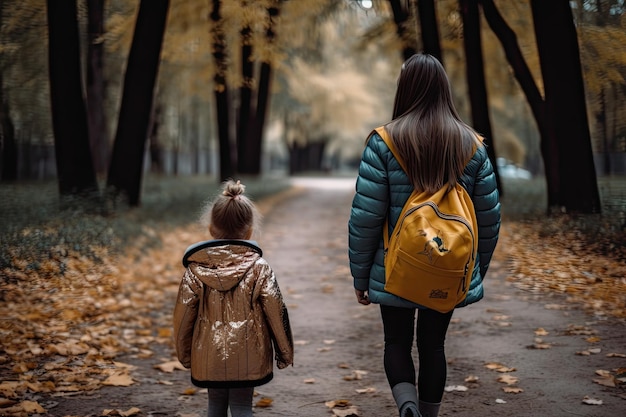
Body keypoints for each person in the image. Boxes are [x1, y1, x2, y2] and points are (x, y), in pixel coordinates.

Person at [348, 53, 501, 417]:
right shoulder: (473, 146)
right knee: (433, 346)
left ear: (405, 89)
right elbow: (488, 219)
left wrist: (360, 276)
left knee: (396, 341)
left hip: (395, 266)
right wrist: (475, 271)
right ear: (443, 90)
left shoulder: (383, 143)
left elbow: (365, 218)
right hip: (448, 269)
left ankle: (407, 408)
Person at [173, 179, 294, 417]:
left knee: (214, 407)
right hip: (249, 354)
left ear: (210, 228)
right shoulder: (260, 268)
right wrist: (284, 351)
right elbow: (276, 310)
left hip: (207, 354)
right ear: (249, 230)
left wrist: (185, 353)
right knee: (241, 407)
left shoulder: (195, 270)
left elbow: (183, 315)